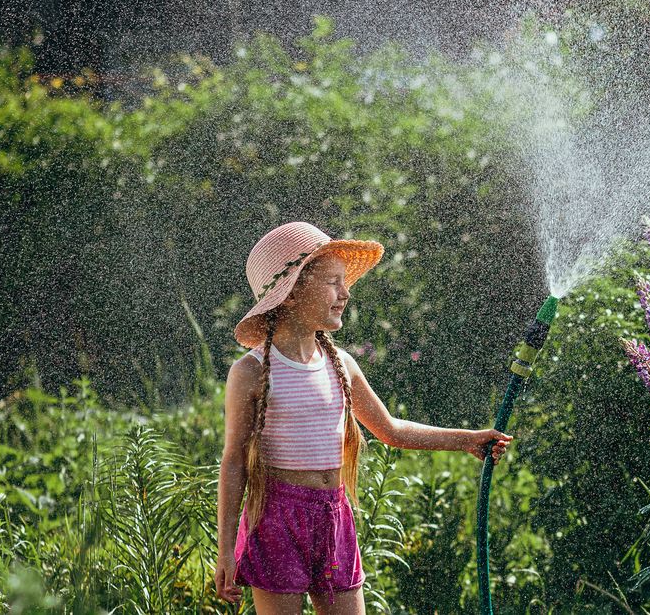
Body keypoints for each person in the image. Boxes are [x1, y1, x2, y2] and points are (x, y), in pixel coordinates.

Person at [215, 222, 513, 614]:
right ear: (291, 293)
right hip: (276, 520)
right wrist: (225, 552)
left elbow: (390, 429)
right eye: (333, 282)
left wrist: (466, 438)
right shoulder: (251, 372)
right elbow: (234, 459)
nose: (345, 293)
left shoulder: (341, 364)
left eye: (345, 282)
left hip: (334, 515)